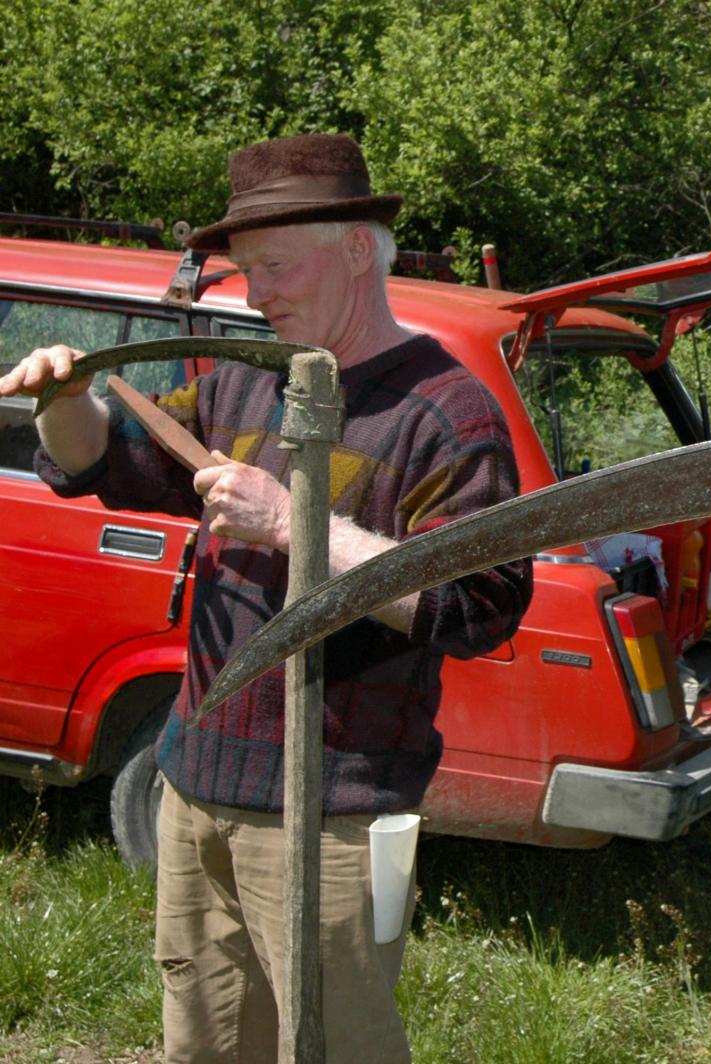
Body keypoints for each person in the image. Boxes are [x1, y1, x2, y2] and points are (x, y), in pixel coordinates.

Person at [0, 133, 534, 1061]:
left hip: (330, 813)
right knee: (201, 1041)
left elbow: (478, 605)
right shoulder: (251, 380)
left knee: (334, 1048)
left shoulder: (447, 412)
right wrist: (63, 398)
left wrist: (294, 522)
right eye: (245, 272)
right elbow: (110, 465)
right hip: (194, 784)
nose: (256, 294)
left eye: (274, 267)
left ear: (359, 249)